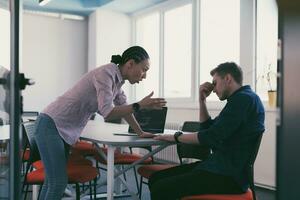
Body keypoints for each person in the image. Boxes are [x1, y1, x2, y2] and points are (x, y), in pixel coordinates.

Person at [34, 46, 166, 199]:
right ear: (130, 63)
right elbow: (107, 112)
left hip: (58, 127)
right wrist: (140, 105)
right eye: (144, 69)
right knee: (57, 183)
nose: (145, 76)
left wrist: (140, 132)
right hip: (51, 124)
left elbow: (124, 108)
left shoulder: (117, 81)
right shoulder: (106, 74)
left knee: (53, 182)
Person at [150, 62, 265, 200]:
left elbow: (210, 137)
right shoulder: (240, 99)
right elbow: (207, 128)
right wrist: (202, 100)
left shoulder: (243, 99)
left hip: (228, 175)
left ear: (227, 78)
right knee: (155, 178)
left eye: (215, 83)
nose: (214, 89)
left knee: (160, 188)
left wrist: (176, 137)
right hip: (219, 167)